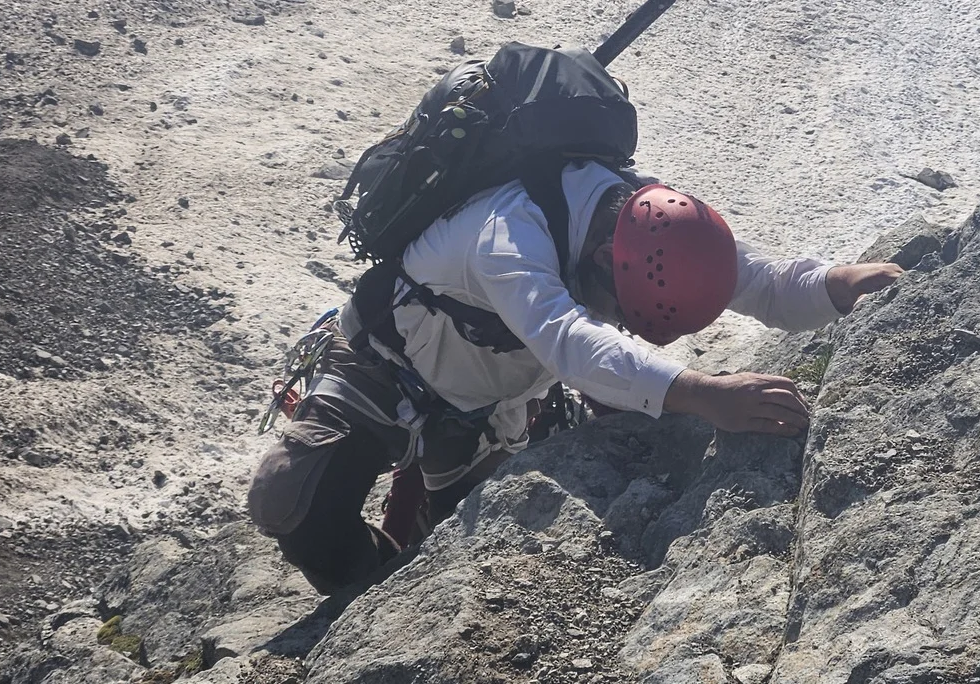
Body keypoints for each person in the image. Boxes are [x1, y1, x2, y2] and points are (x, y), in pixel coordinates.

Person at [247, 161, 902, 595]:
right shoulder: (508, 233)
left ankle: (388, 590)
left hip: (487, 412)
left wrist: (837, 285)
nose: (618, 319)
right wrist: (701, 393)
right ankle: (361, 595)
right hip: (384, 366)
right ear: (605, 258)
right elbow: (568, 341)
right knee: (288, 499)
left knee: (460, 565)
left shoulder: (652, 225)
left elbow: (759, 281)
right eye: (621, 308)